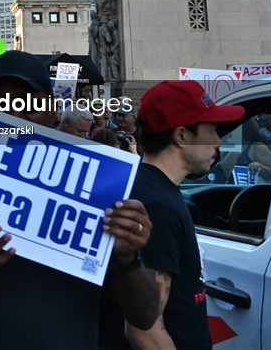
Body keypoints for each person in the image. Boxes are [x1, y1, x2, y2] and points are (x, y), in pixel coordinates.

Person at [0, 50, 159, 349]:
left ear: (52, 110)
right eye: (2, 104)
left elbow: (144, 317)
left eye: (29, 104)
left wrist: (129, 258)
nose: (15, 117)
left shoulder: (96, 187)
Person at [101, 80, 245, 350]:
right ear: (181, 136)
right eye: (212, 130)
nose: (218, 142)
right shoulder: (157, 206)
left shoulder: (150, 190)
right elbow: (145, 332)